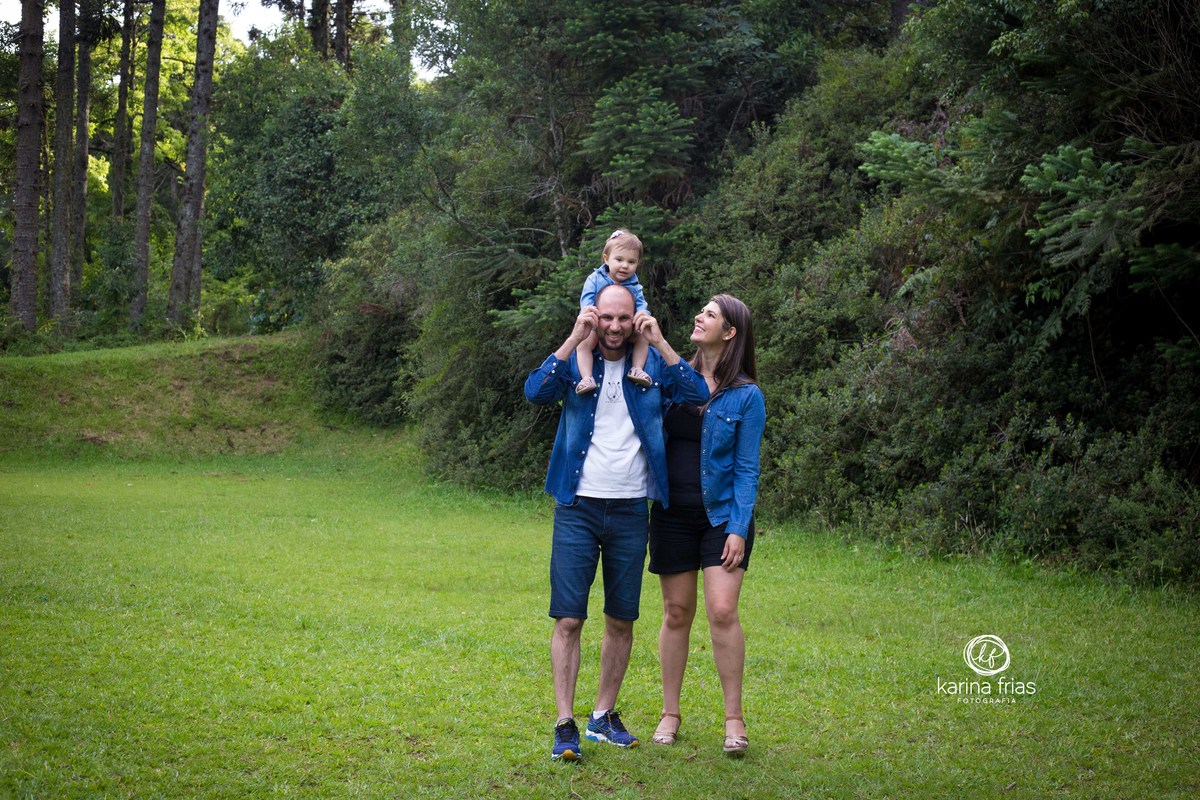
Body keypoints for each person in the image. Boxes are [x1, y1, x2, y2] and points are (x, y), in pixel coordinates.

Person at [524, 283, 709, 762]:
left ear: (635, 319)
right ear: (595, 316)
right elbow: (534, 390)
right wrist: (571, 337)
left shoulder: (647, 369)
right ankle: (565, 723)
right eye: (605, 317)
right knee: (568, 617)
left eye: (623, 319)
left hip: (631, 510)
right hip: (577, 507)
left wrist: (663, 342)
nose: (613, 327)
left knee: (621, 619)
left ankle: (602, 716)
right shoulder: (577, 361)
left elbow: (697, 392)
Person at [647, 294, 766, 756]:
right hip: (672, 513)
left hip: (722, 518)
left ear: (730, 332)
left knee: (721, 611)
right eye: (701, 311)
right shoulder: (670, 377)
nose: (699, 317)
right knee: (676, 613)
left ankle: (733, 718)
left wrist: (738, 526)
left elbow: (747, 468)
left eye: (710, 315)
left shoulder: (747, 395)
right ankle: (670, 712)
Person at [575, 230, 653, 394]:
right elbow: (586, 300)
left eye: (631, 262)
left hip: (624, 328)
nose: (625, 265)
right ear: (606, 259)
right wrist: (589, 316)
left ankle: (637, 368)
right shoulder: (595, 278)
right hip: (597, 324)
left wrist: (642, 316)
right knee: (583, 343)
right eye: (619, 259)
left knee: (643, 336)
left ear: (638, 264)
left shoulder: (635, 286)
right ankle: (587, 377)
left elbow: (641, 305)